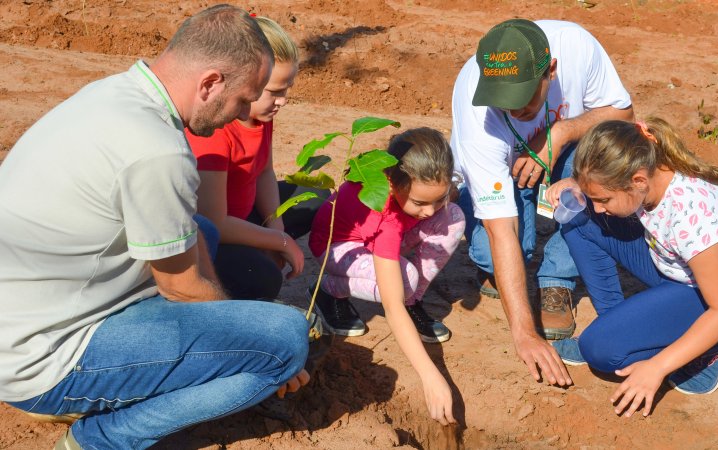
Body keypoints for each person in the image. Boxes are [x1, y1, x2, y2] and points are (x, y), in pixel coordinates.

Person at [0, 5, 310, 449]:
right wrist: (258, 344)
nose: (241, 114)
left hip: (27, 316)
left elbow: (188, 232)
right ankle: (101, 438)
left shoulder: (116, 94)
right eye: (243, 99)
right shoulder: (158, 151)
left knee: (203, 229)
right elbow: (182, 288)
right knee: (285, 340)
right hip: (43, 359)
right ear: (210, 83)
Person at [450, 18, 633, 386]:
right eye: (503, 102)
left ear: (550, 69)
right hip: (501, 172)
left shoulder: (577, 46)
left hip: (566, 155)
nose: (513, 112)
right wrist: (524, 335)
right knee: (494, 248)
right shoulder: (476, 113)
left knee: (599, 155)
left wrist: (560, 133)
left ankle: (557, 279)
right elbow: (502, 228)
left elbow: (624, 116)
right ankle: (507, 269)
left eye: (522, 100)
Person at [546, 118, 718, 417]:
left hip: (716, 298)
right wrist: (578, 184)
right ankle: (618, 323)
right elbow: (599, 198)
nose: (599, 206)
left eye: (604, 199)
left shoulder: (692, 217)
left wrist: (657, 367)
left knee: (601, 352)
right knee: (578, 219)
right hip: (673, 265)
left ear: (637, 181)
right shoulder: (649, 165)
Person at [308, 127, 465, 425]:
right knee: (402, 281)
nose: (429, 210)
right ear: (392, 183)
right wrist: (431, 376)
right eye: (420, 202)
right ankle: (328, 290)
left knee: (453, 216)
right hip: (339, 247)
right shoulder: (387, 216)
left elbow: (437, 203)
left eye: (437, 197)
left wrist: (436, 201)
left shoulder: (421, 194)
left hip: (377, 238)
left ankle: (413, 300)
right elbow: (391, 307)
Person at [186, 15, 327, 300]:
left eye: (287, 89)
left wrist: (275, 226)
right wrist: (281, 241)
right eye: (275, 91)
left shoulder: (261, 114)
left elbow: (264, 171)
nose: (283, 100)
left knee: (321, 199)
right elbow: (216, 222)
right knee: (263, 279)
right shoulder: (216, 130)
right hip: (217, 233)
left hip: (244, 212)